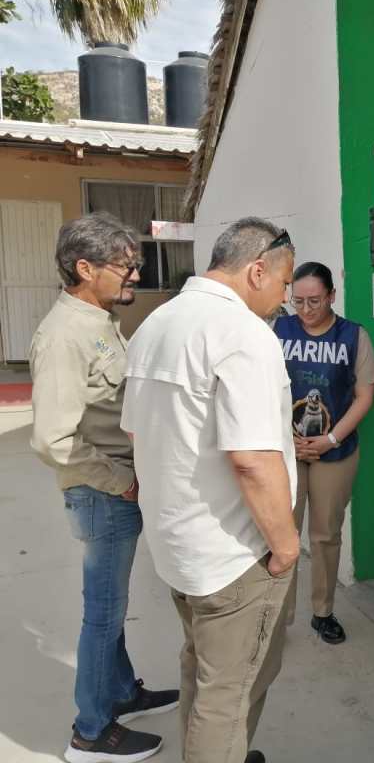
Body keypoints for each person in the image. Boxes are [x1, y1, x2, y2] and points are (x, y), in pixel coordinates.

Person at [121, 217, 299, 763]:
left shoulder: (158, 322)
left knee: (201, 669)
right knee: (229, 695)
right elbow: (253, 460)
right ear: (257, 271)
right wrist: (285, 546)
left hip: (179, 545)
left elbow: (137, 432)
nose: (285, 297)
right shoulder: (244, 335)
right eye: (284, 283)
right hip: (234, 554)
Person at [29, 212, 178, 763]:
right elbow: (51, 438)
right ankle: (90, 733)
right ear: (85, 268)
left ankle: (120, 693)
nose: (135, 274)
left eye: (135, 264)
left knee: (111, 608)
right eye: (124, 265)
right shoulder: (64, 335)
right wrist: (121, 482)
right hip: (103, 492)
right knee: (103, 615)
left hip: (114, 489)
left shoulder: (98, 321)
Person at [274, 262, 374, 644]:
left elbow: (365, 396)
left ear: (332, 296)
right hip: (285, 449)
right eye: (299, 300)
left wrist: (331, 438)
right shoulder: (278, 330)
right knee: (281, 533)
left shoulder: (353, 336)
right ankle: (277, 618)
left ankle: (322, 612)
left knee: (324, 534)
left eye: (315, 301)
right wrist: (285, 436)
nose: (306, 309)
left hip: (335, 451)